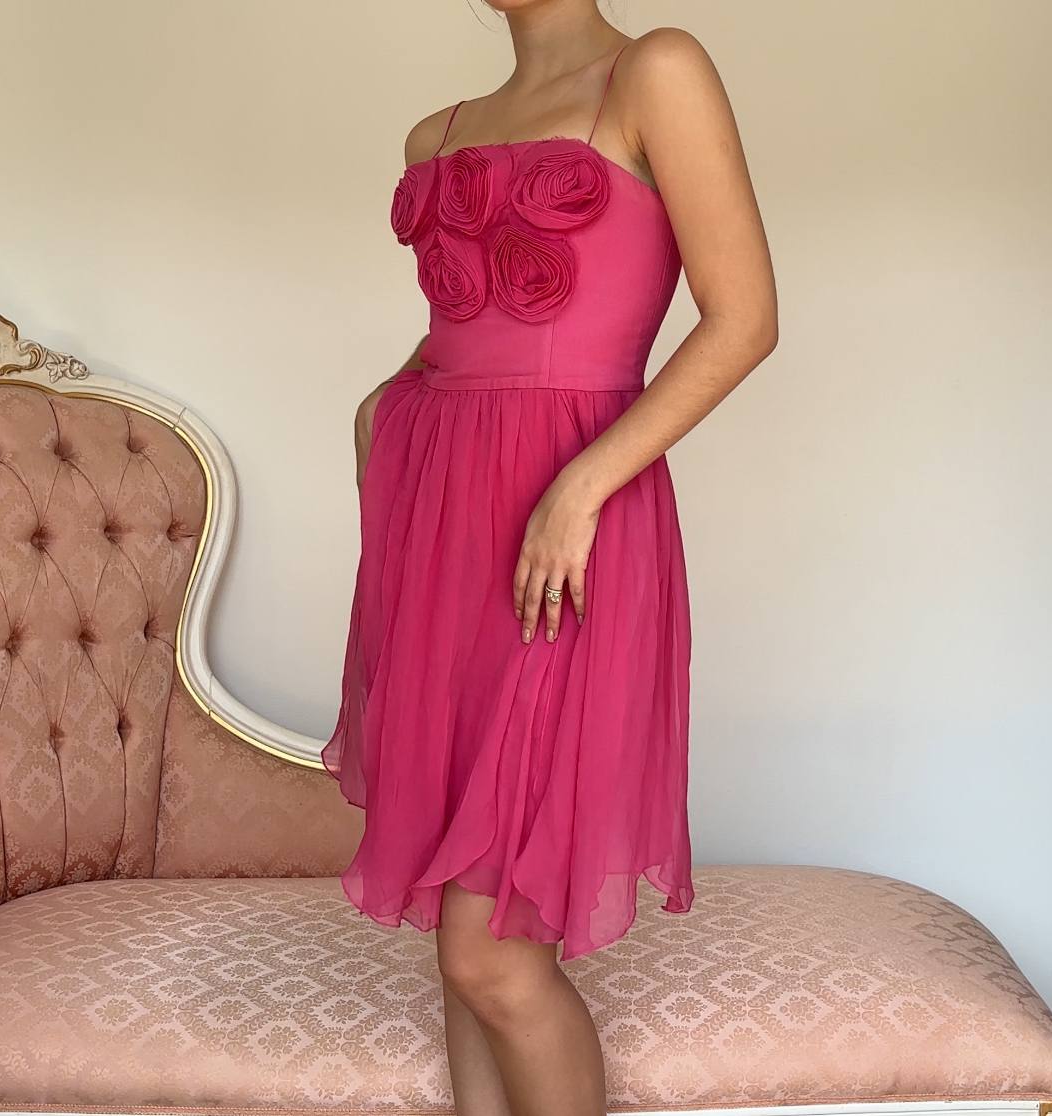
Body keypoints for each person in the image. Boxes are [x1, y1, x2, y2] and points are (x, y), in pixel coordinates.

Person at [321, 1, 777, 1112]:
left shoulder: (654, 71)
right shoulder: (438, 132)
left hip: (571, 522)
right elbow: (468, 333)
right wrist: (389, 400)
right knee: (462, 942)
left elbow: (744, 319)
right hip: (443, 524)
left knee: (491, 953)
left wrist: (580, 487)